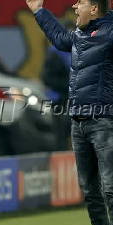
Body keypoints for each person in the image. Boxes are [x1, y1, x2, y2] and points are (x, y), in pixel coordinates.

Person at [25, 0, 113, 225]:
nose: (74, 7)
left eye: (79, 3)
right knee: (89, 188)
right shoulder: (77, 35)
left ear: (94, 8)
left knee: (111, 184)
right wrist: (39, 11)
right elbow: (57, 37)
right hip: (78, 120)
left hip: (105, 118)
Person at [41, 20, 73, 151]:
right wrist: (68, 86)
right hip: (60, 99)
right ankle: (60, 159)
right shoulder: (55, 53)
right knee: (61, 133)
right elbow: (47, 78)